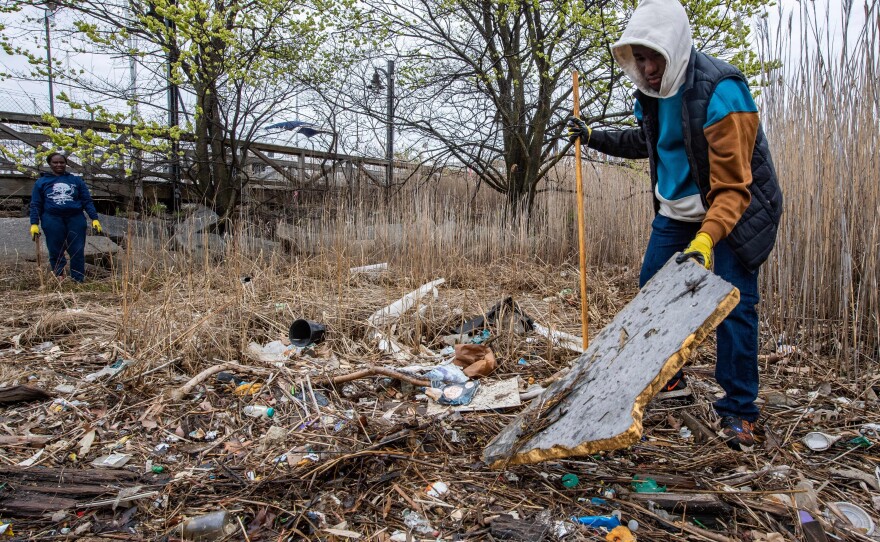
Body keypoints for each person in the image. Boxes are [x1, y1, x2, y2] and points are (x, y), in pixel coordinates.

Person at [567, 0, 783, 450]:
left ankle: (740, 412)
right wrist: (593, 137)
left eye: (655, 56)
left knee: (733, 307)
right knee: (654, 290)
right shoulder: (650, 93)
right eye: (639, 58)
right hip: (676, 213)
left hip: (733, 212)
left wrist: (707, 239)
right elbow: (649, 142)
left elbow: (733, 189)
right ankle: (671, 379)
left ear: (676, 46)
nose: (647, 68)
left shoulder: (722, 91)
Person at [29, 152, 103, 283]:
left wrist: (94, 218)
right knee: (55, 249)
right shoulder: (41, 182)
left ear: (66, 164)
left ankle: (78, 279)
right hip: (52, 219)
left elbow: (87, 200)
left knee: (77, 249)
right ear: (50, 164)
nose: (59, 165)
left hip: (75, 218)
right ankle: (59, 277)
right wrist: (34, 223)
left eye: (61, 162)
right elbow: (36, 204)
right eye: (55, 162)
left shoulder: (76, 181)